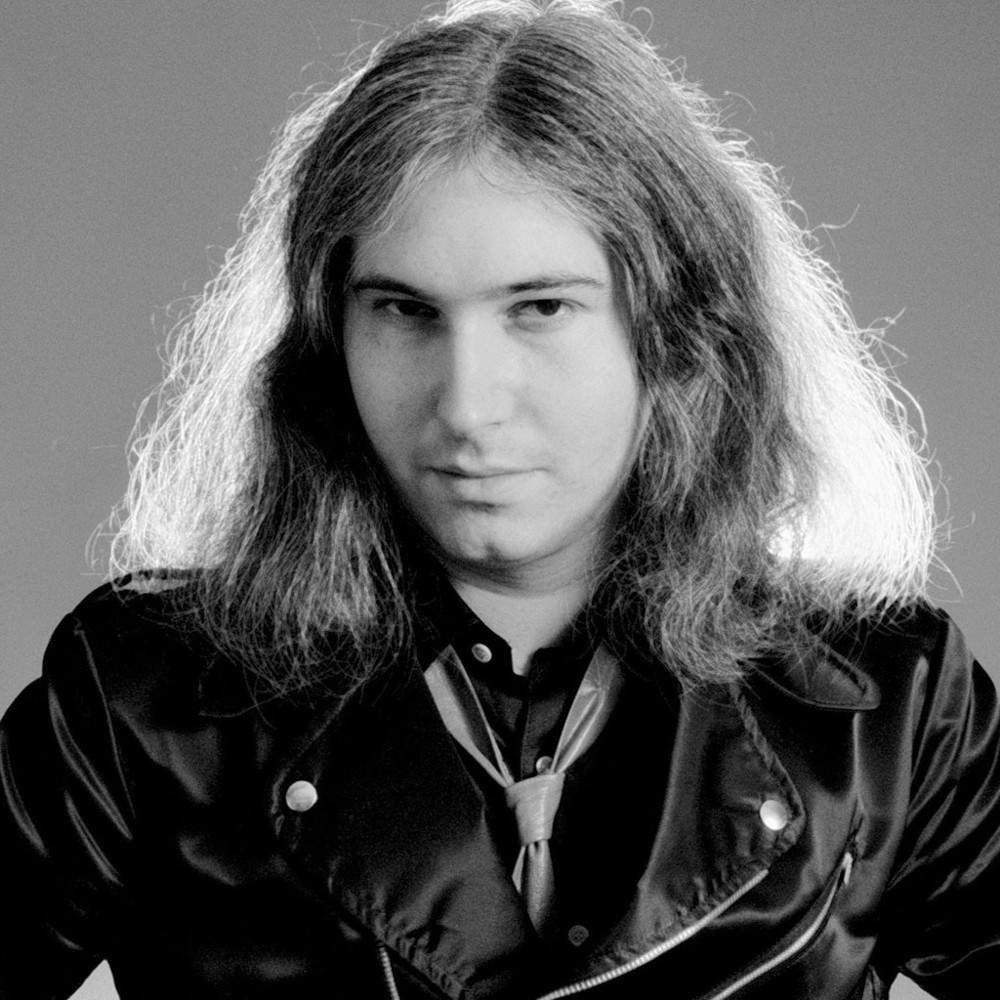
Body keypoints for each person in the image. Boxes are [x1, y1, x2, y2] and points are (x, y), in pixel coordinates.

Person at [2, 0, 998, 997]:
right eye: (405, 310)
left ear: (679, 328)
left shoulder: (892, 702)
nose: (467, 405)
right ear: (326, 337)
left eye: (540, 307)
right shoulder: (139, 693)